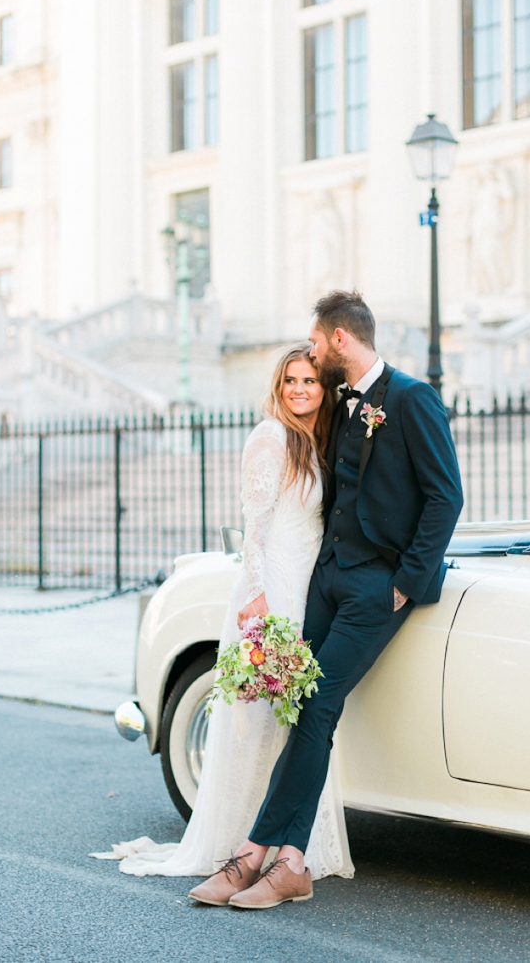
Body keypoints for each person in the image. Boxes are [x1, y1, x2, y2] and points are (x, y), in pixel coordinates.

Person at [208, 289, 464, 909]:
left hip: (377, 587)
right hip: (328, 576)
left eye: (317, 341)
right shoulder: (342, 403)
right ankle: (292, 861)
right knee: (303, 708)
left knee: (319, 706)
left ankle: (254, 853)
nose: (313, 350)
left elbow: (445, 496)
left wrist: (405, 581)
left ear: (339, 341)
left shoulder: (410, 397)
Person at [92, 344, 354, 890]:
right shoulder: (270, 438)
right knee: (256, 723)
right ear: (278, 387)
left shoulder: (314, 443)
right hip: (272, 593)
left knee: (299, 724)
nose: (301, 389)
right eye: (291, 381)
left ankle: (291, 844)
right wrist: (257, 599)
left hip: (308, 591)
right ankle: (242, 840)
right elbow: (252, 528)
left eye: (309, 380)